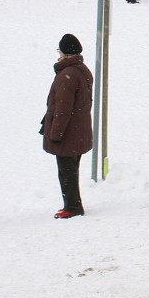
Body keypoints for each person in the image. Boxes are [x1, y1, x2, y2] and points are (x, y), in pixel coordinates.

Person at [40, 34, 93, 219]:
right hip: (78, 131)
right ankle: (72, 204)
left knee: (67, 173)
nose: (58, 55)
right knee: (71, 170)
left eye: (60, 51)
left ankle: (72, 207)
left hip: (69, 134)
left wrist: (55, 133)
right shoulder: (81, 70)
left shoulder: (67, 76)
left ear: (65, 52)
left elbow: (63, 109)